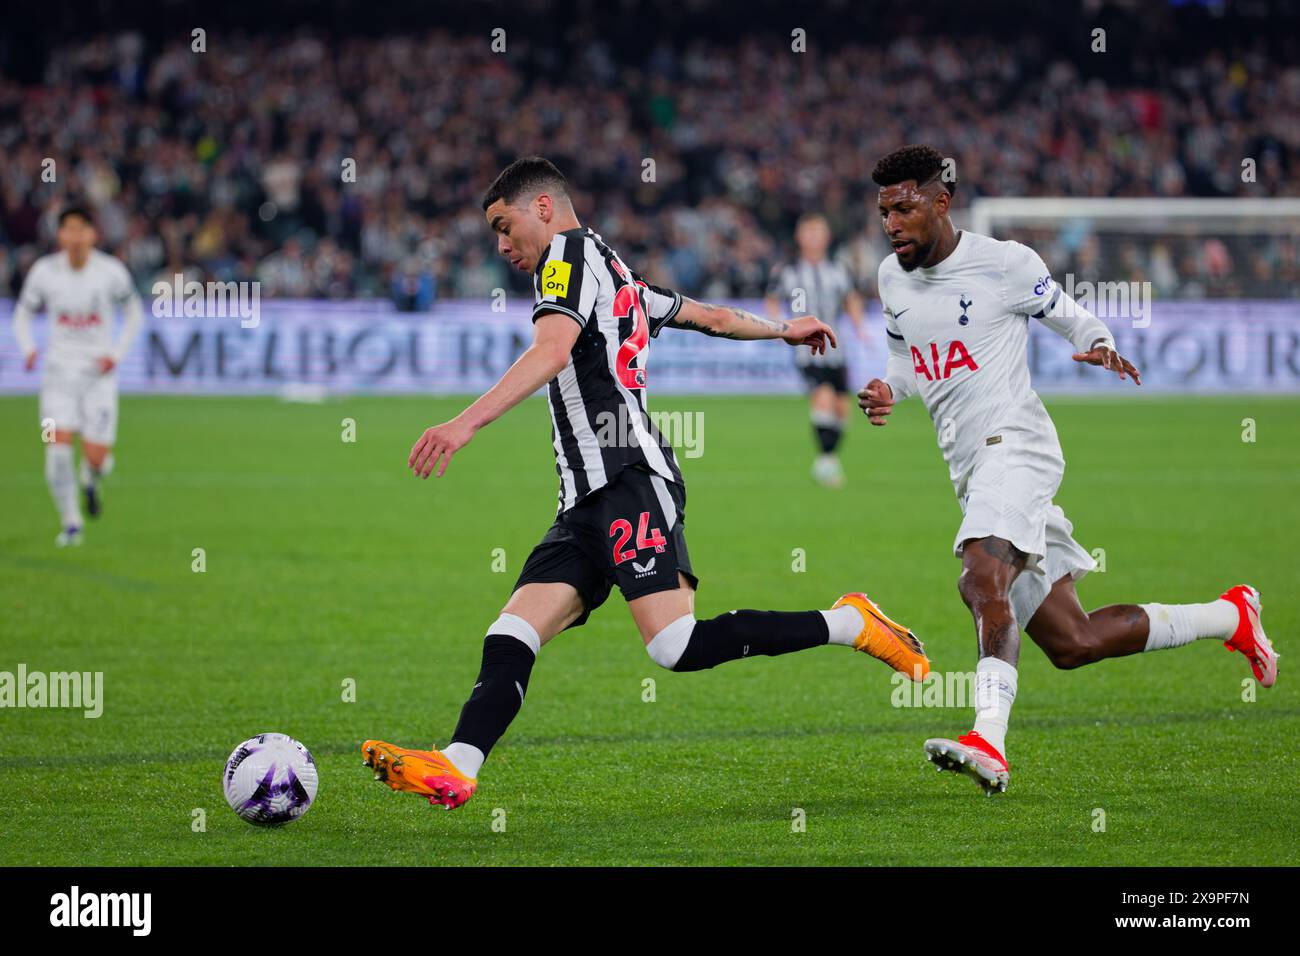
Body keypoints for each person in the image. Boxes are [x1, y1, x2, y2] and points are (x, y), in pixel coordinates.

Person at [363, 157, 929, 809]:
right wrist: (782, 328)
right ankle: (457, 765)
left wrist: (463, 424)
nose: (500, 244)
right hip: (584, 499)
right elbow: (709, 316)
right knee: (511, 631)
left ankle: (849, 623)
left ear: (542, 207)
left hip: (630, 476)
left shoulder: (568, 260)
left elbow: (550, 352)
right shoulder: (617, 271)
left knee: (674, 645)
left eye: (503, 224)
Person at [858, 145, 1277, 795]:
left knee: (980, 574)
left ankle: (988, 740)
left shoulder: (1004, 264)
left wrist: (1100, 344)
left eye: (904, 208)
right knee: (1072, 641)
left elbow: (1069, 315)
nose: (892, 224)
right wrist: (889, 390)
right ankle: (1231, 617)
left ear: (941, 202)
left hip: (1016, 445)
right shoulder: (891, 278)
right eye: (885, 211)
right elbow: (907, 362)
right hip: (972, 468)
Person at [13, 206, 143, 546]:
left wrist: (115, 354)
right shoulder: (44, 271)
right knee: (55, 450)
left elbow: (134, 314)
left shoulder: (111, 272)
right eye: (67, 230)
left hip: (97, 377)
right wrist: (28, 348)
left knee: (99, 460)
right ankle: (71, 523)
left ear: (92, 234)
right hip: (56, 376)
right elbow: (22, 314)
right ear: (60, 235)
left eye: (80, 229)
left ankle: (90, 477)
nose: (74, 237)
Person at [765, 214, 865, 487]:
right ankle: (827, 464)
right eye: (808, 231)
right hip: (806, 349)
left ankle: (826, 460)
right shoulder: (787, 271)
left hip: (837, 348)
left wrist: (859, 327)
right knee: (823, 397)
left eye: (818, 231)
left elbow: (851, 298)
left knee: (843, 408)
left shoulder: (838, 270)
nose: (813, 236)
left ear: (826, 236)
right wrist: (776, 328)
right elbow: (772, 299)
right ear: (799, 236)